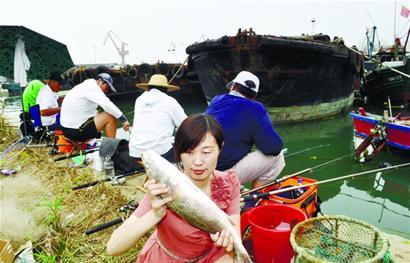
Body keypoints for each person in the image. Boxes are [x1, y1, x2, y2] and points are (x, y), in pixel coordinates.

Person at [107, 114, 241, 263]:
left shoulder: (228, 184)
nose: (197, 162)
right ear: (179, 151)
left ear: (220, 148)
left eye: (206, 152)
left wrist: (227, 243)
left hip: (209, 256)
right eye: (189, 152)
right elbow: (113, 247)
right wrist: (155, 214)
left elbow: (236, 239)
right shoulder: (165, 187)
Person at [206, 71, 285, 189]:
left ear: (233, 86)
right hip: (218, 176)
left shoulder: (216, 100)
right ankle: (254, 197)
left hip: (200, 167)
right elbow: (274, 148)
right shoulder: (255, 108)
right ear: (253, 96)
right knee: (278, 158)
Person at [129, 74, 187, 162]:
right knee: (187, 143)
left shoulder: (139, 100)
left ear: (149, 87)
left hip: (135, 153)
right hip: (160, 155)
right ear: (166, 89)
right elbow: (186, 125)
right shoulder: (170, 101)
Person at [60, 73, 130, 141]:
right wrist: (123, 119)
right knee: (110, 116)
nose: (106, 91)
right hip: (75, 131)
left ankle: (102, 138)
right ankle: (110, 148)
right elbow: (107, 105)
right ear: (100, 81)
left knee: (97, 112)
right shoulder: (92, 87)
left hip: (67, 129)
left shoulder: (87, 85)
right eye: (107, 87)